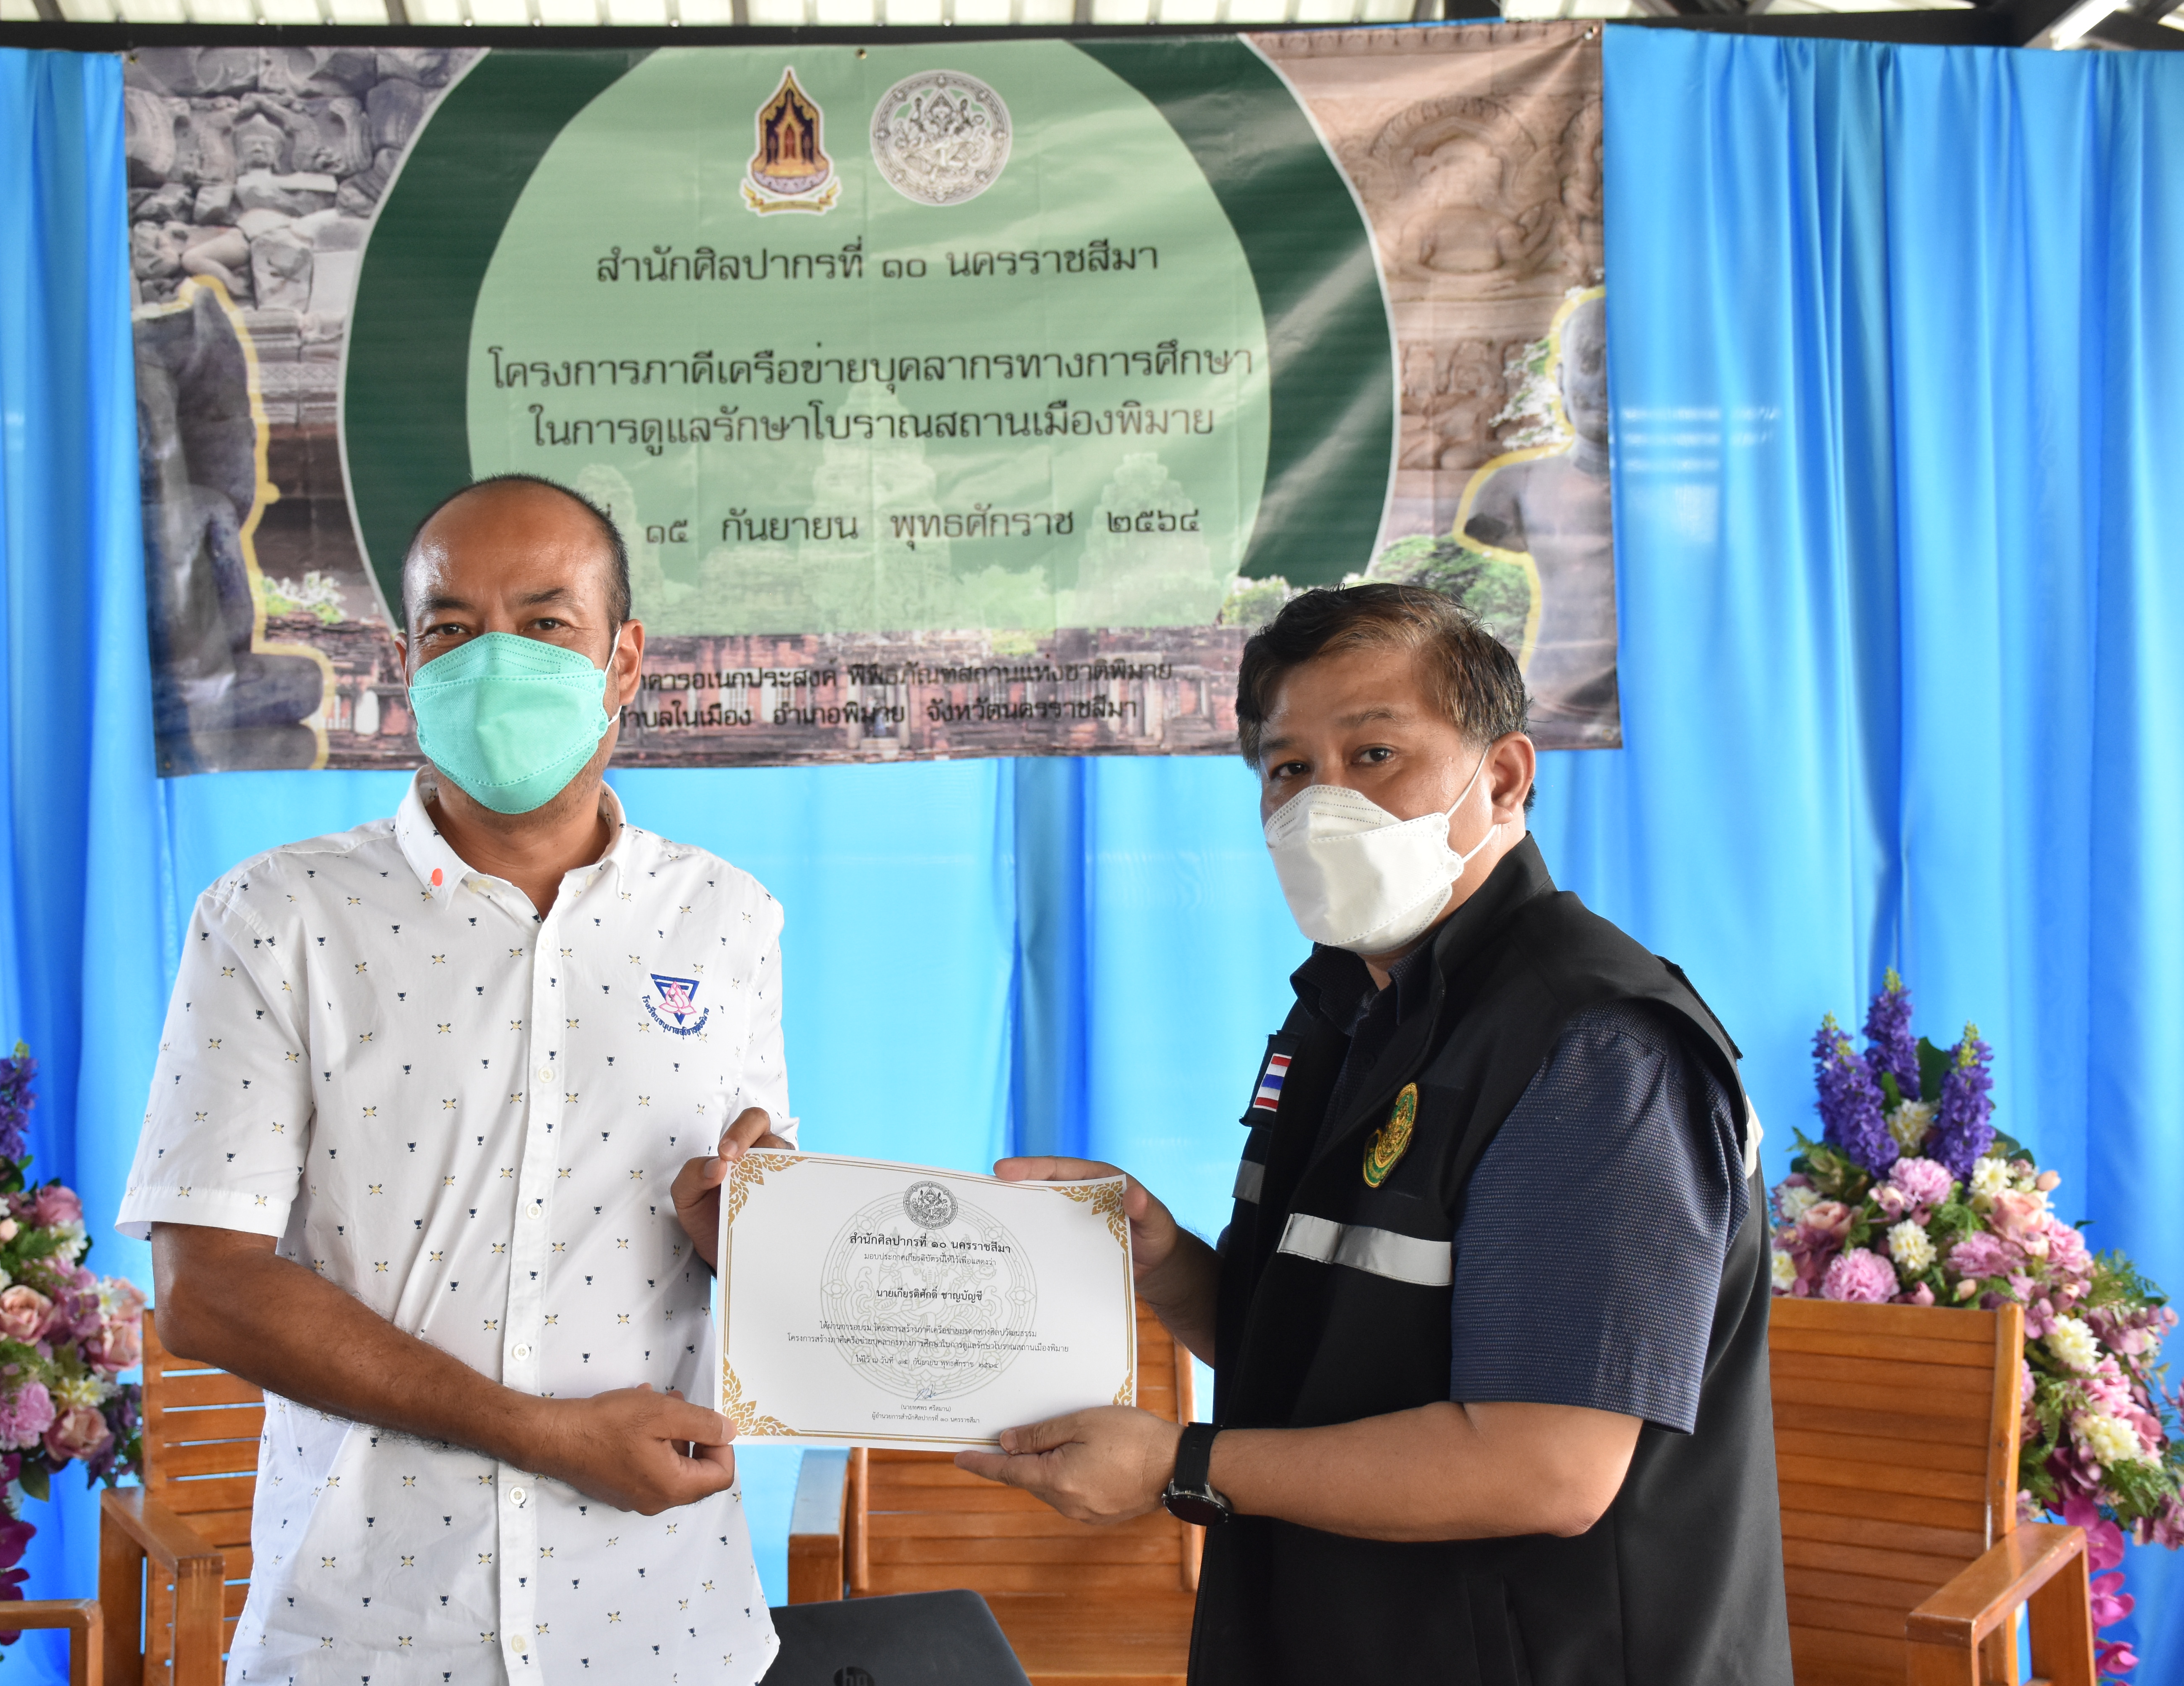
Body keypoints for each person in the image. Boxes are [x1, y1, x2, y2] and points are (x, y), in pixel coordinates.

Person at [956, 584, 1792, 1684]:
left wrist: (1184, 1464)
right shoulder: (1344, 1013)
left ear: (1504, 777)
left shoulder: (1593, 1048)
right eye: (1289, 769)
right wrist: (1164, 1264)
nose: (1322, 804)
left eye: (1376, 754)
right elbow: (1315, 1356)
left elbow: (1548, 1465)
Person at [116, 475, 791, 1683]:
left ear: (624, 660)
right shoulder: (276, 916)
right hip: (364, 1637)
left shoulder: (725, 918)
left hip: (660, 1626)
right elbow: (205, 1289)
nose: (495, 661)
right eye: (452, 629)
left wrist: (751, 1228)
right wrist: (541, 1434)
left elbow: (758, 1251)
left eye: (545, 624)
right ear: (407, 665)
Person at [1459, 292, 1619, 740]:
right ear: (1562, 379)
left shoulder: (1690, 496)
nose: (1604, 382)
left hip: (1660, 702)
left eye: (1622, 363)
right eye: (1590, 361)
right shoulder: (1513, 488)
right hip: (1552, 707)